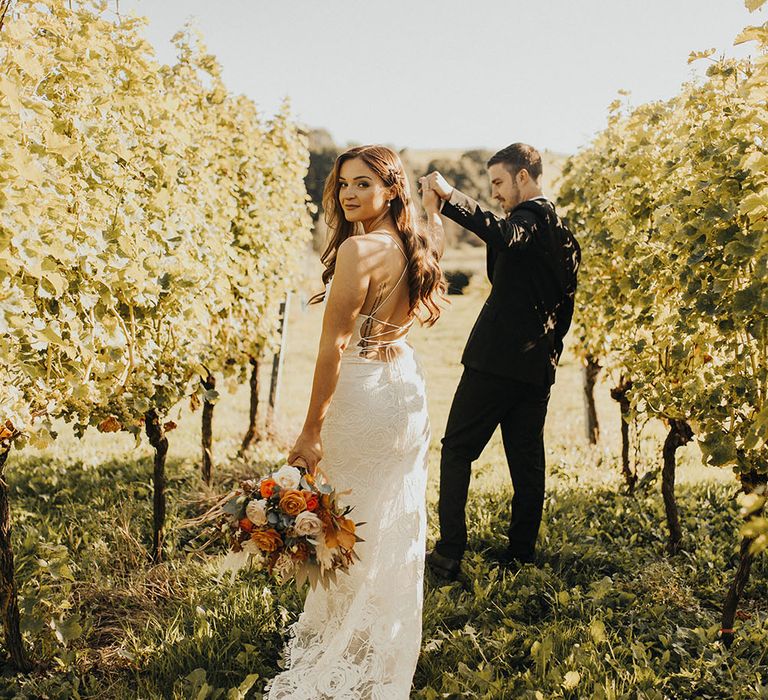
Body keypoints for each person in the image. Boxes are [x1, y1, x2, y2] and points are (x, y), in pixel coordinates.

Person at [265, 145, 446, 699]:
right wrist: (435, 207)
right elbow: (432, 223)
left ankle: (346, 646)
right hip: (406, 392)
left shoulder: (359, 250)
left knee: (346, 524)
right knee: (390, 521)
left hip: (365, 396)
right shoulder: (419, 242)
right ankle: (382, 642)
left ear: (391, 189)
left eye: (362, 184)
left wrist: (310, 431)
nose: (347, 194)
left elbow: (332, 349)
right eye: (342, 183)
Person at [420, 143, 580, 582]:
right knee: (526, 462)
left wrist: (451, 197)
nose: (495, 194)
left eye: (498, 183)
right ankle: (521, 554)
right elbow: (562, 310)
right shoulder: (567, 235)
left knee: (456, 452)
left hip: (494, 364)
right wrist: (546, 351)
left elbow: (504, 232)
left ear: (523, 178)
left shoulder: (531, 221)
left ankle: (449, 554)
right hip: (537, 368)